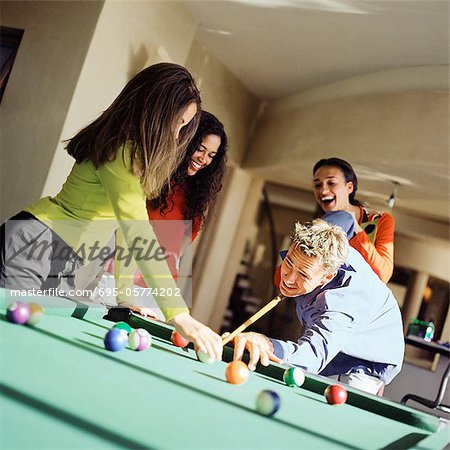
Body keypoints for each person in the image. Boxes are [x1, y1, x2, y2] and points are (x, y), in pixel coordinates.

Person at [0, 63, 222, 360]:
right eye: (178, 122)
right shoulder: (122, 150)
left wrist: (125, 296)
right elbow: (137, 231)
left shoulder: (138, 157)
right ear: (157, 110)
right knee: (10, 347)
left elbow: (121, 232)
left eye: (186, 125)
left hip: (71, 261)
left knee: (35, 354)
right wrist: (179, 314)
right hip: (36, 247)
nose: (178, 132)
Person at [231, 212, 404, 394]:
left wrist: (267, 344)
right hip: (333, 342)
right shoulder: (316, 257)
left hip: (366, 358)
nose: (288, 279)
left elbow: (312, 357)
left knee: (341, 412)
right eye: (288, 263)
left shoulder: (345, 302)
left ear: (327, 277)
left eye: (303, 274)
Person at [108, 110, 227, 313]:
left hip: (157, 292)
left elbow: (177, 252)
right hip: (117, 281)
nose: (204, 159)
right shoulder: (151, 177)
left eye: (211, 156)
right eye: (200, 149)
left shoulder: (196, 198)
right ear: (186, 141)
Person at [312, 157, 395, 283]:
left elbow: (382, 275)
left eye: (331, 183)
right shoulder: (316, 229)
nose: (323, 190)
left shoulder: (379, 221)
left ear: (349, 187)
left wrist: (355, 228)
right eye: (318, 185)